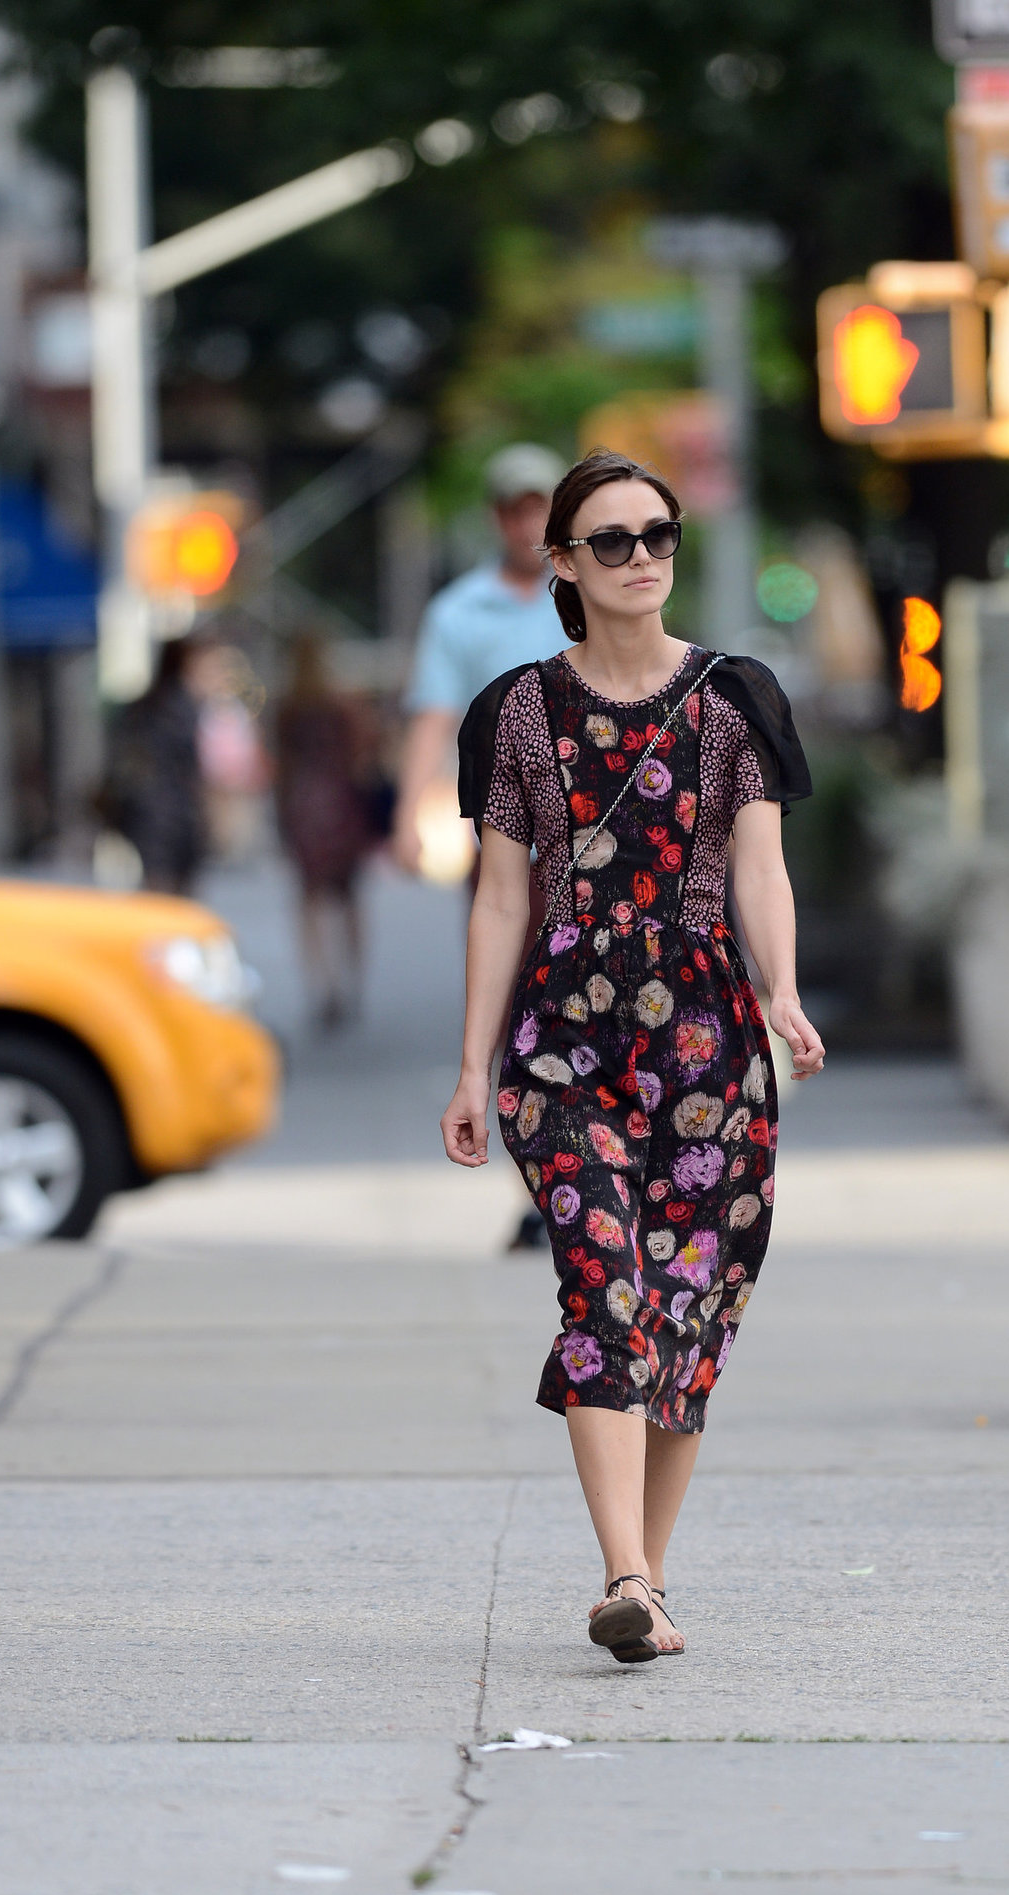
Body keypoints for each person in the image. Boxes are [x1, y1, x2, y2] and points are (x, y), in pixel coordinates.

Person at [441, 450, 825, 1663]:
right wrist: (471, 1065)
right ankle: (621, 1570)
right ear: (561, 561)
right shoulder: (515, 712)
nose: (639, 557)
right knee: (603, 1286)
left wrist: (781, 989)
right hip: (560, 1046)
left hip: (709, 1041)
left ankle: (644, 1586)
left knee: (686, 1310)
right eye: (609, 539)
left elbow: (759, 865)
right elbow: (500, 898)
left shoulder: (733, 700)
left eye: (656, 534)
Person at [392, 443, 567, 873]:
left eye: (540, 511)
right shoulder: (458, 611)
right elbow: (434, 717)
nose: (529, 527)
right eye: (516, 513)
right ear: (496, 517)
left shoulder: (588, 595)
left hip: (593, 829)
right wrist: (408, 815)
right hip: (500, 836)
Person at [274, 634, 377, 1029]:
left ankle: (323, 982)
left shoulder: (288, 707)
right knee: (348, 897)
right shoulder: (340, 704)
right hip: (341, 803)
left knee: (310, 898)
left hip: (303, 807)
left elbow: (281, 767)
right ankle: (353, 979)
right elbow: (362, 752)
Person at [101, 637, 208, 894]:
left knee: (160, 891)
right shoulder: (180, 708)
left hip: (147, 813)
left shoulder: (144, 706)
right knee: (173, 895)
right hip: (169, 815)